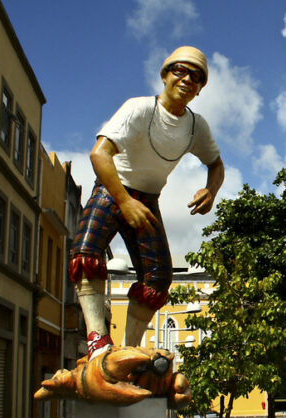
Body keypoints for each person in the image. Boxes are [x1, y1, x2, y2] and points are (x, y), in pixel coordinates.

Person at [69, 46, 224, 360]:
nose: (186, 79)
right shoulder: (139, 108)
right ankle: (97, 339)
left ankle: (129, 348)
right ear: (165, 74)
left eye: (196, 76)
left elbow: (216, 164)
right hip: (114, 189)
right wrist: (124, 201)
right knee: (86, 252)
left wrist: (211, 190)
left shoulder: (196, 126)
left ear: (200, 88)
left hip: (148, 199)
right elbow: (100, 154)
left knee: (158, 277)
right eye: (179, 70)